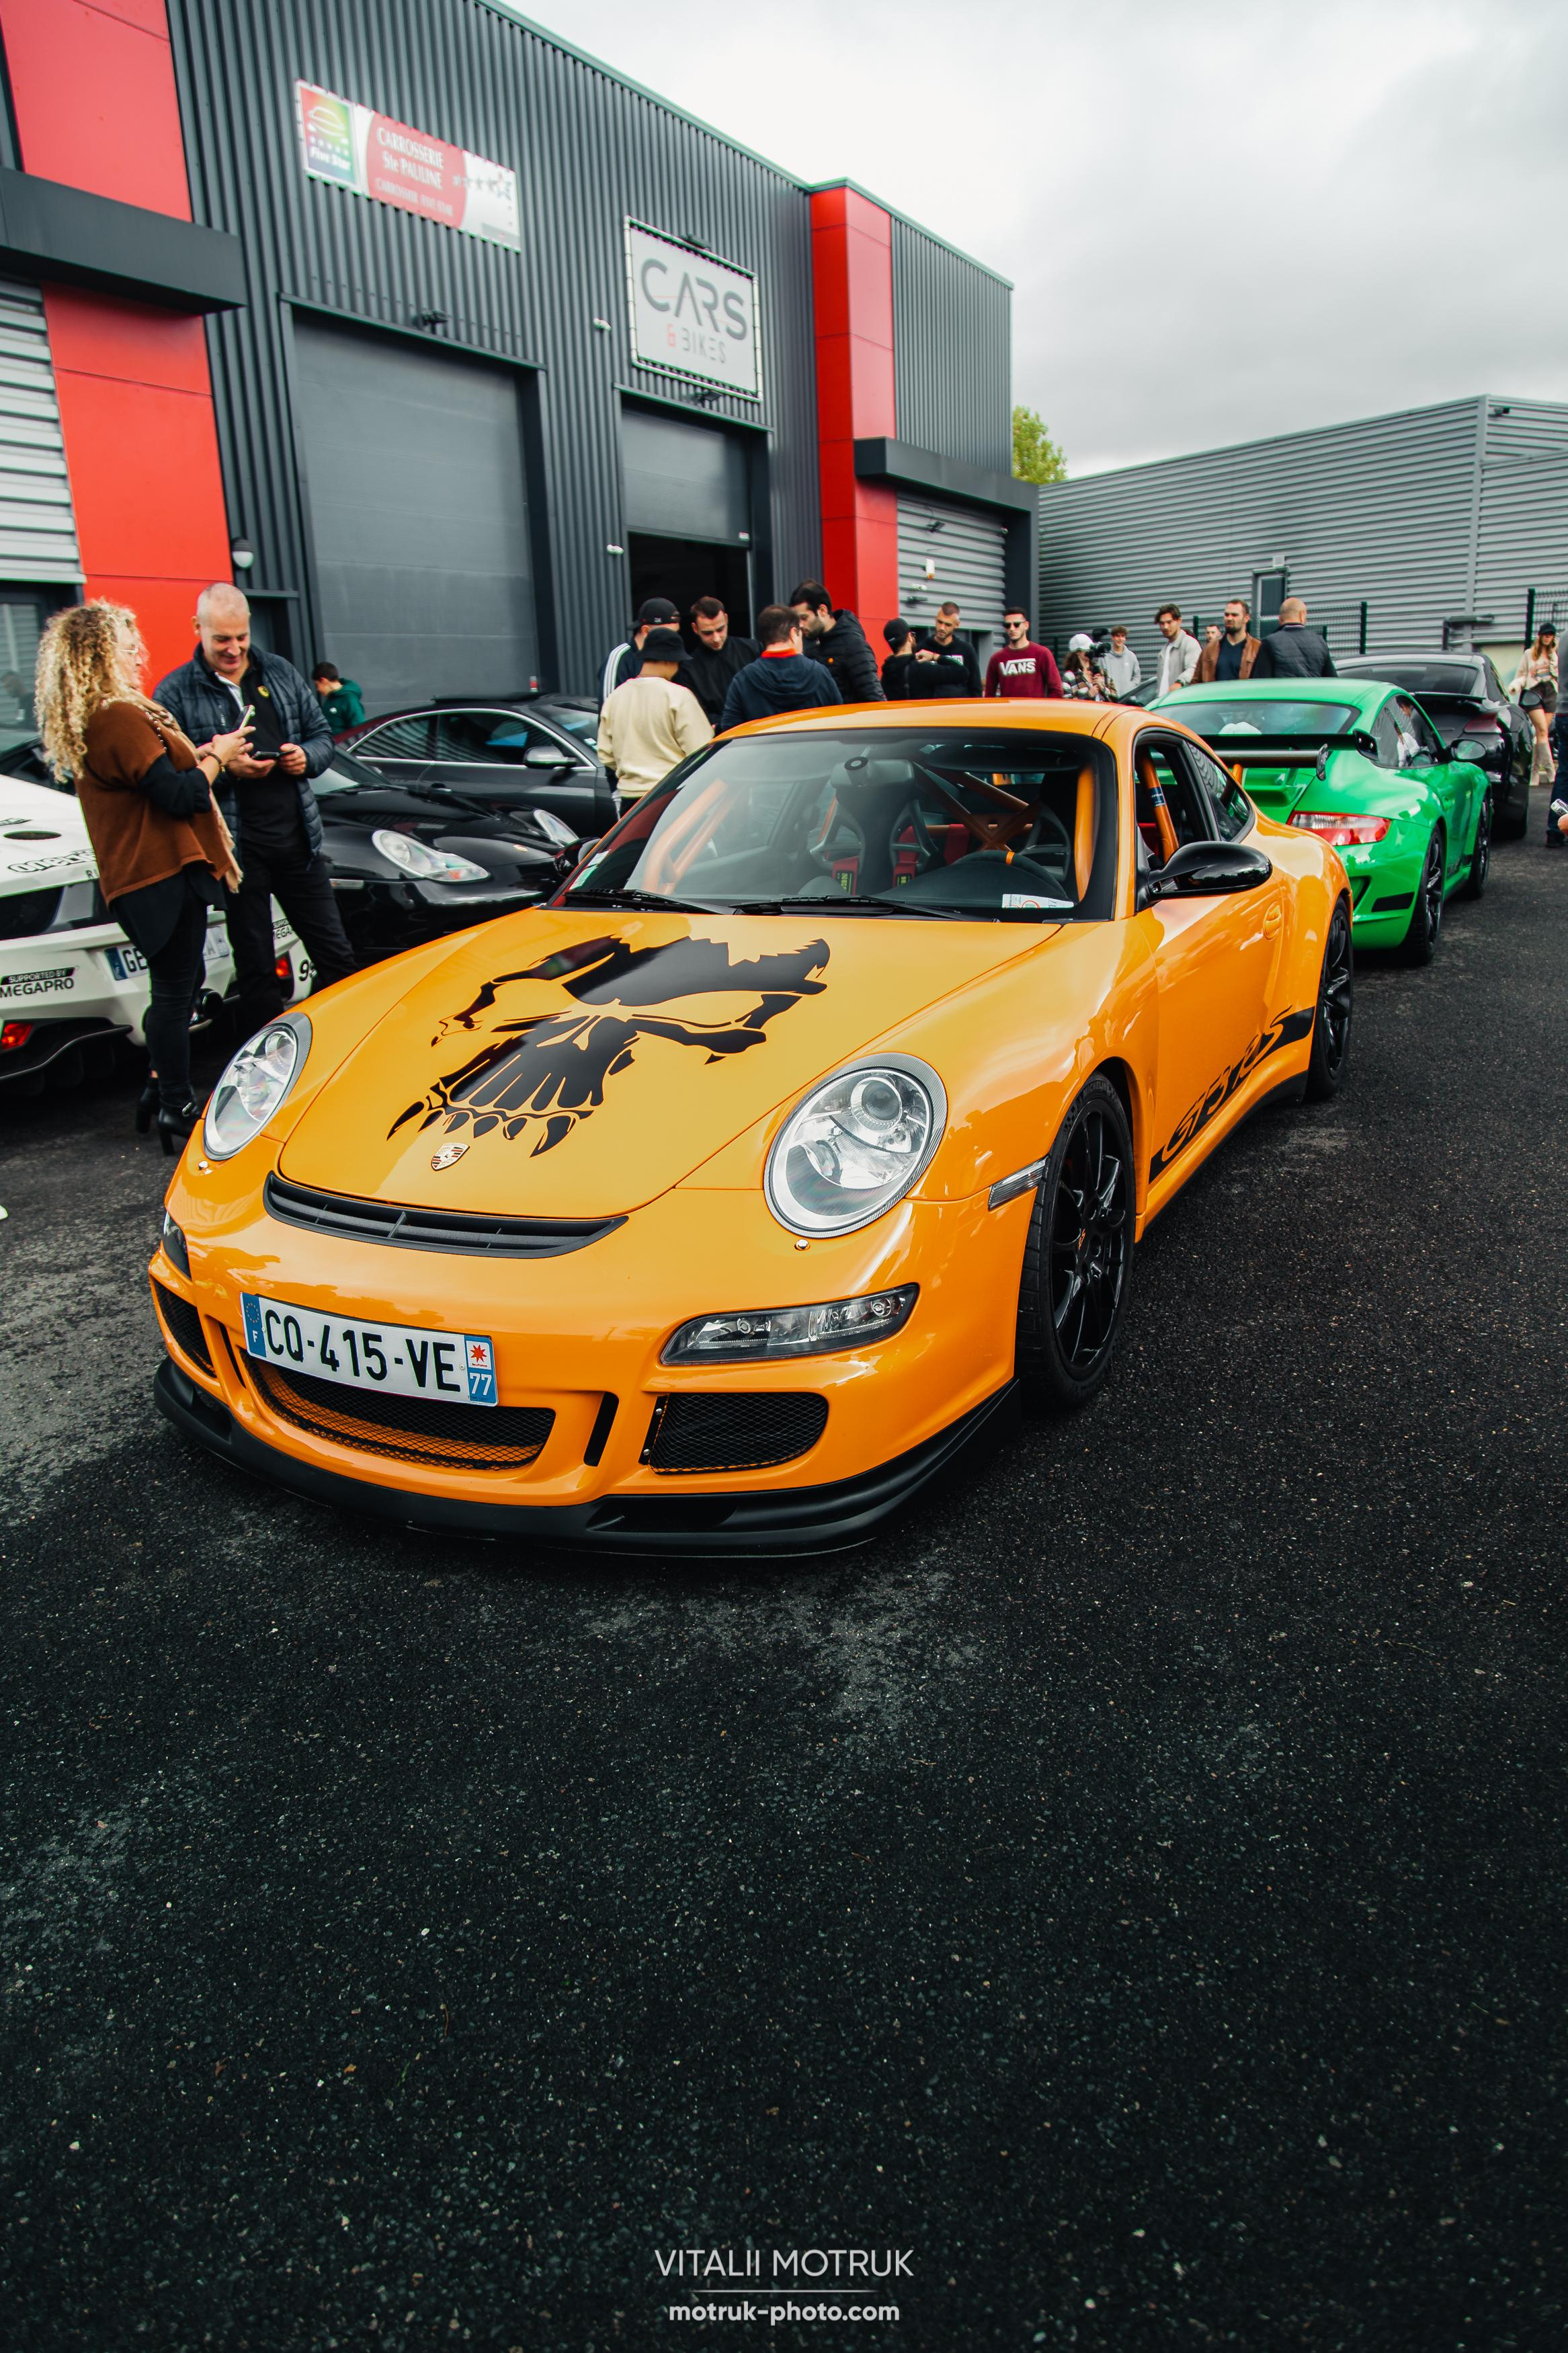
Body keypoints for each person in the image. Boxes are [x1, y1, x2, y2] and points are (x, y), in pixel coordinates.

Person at [36, 600, 249, 1148]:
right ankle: (177, 1103)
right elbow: (178, 794)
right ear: (100, 654)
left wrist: (199, 756)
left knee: (179, 988)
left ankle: (160, 1089)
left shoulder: (108, 716)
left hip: (151, 873)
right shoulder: (118, 716)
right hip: (157, 873)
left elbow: (158, 780)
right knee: (176, 994)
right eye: (128, 647)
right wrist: (219, 756)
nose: (138, 655)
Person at [155, 584, 356, 1033]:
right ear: (197, 628)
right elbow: (174, 778)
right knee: (256, 970)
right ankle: (271, 1062)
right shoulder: (175, 692)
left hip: (299, 843)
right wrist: (226, 768)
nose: (234, 649)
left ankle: (347, 1043)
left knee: (337, 955)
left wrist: (306, 757)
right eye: (221, 639)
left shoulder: (279, 671)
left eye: (241, 637)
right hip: (238, 854)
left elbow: (322, 735)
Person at [595, 626, 711, 799]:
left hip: (629, 797)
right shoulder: (678, 696)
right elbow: (701, 750)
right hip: (671, 793)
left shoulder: (616, 697)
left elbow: (606, 754)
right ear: (669, 661)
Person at [720, 606, 845, 730]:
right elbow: (840, 721)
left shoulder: (743, 680)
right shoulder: (820, 673)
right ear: (793, 633)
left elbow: (729, 731)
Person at [788, 581, 884, 703]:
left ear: (822, 611)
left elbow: (874, 699)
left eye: (804, 618)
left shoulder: (853, 645)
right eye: (798, 620)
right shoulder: (811, 645)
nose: (800, 625)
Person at [683, 596, 757, 724]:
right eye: (708, 633)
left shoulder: (753, 649)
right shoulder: (688, 668)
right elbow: (697, 714)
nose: (716, 638)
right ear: (695, 629)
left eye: (720, 629)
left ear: (726, 619)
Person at [600, 596, 689, 703]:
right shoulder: (620, 658)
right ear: (646, 631)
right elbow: (609, 707)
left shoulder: (670, 659)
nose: (674, 639)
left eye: (676, 633)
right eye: (667, 633)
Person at [1512, 622, 1559, 795]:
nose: (1548, 638)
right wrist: (1516, 686)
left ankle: (1534, 773)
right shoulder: (1529, 654)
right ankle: (1551, 772)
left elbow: (1558, 674)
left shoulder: (1554, 655)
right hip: (1534, 691)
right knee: (1543, 730)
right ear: (1540, 636)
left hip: (1550, 691)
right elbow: (1521, 674)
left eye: (1550, 635)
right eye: (1545, 635)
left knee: (1541, 734)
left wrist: (1553, 655)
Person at [984, 607, 1062, 699]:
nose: (1012, 629)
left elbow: (1056, 690)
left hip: (1035, 708)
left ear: (1026, 625)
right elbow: (989, 694)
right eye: (1008, 625)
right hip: (1009, 708)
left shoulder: (1042, 653)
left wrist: (1046, 708)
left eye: (1016, 624)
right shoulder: (997, 658)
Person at [1251, 596, 1336, 679]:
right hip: (1312, 689)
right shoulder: (1320, 642)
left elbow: (1260, 680)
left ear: (1280, 619)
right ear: (1302, 616)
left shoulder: (1269, 642)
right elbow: (1332, 680)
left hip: (1283, 689)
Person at [913, 602, 983, 698]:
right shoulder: (921, 649)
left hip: (958, 706)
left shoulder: (966, 650)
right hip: (929, 706)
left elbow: (976, 687)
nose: (942, 628)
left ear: (957, 625)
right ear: (935, 619)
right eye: (940, 622)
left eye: (948, 625)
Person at [1194, 599, 1262, 683]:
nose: (1229, 618)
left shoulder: (1257, 649)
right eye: (1227, 615)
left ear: (1246, 618)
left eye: (1234, 615)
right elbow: (1196, 681)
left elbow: (1264, 683)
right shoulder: (1210, 649)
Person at [1154, 604, 1200, 694]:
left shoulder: (1190, 643)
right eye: (1162, 623)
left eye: (1169, 622)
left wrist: (1180, 682)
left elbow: (1194, 669)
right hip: (1164, 701)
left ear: (1179, 621)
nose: (1165, 627)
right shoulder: (1163, 651)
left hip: (1180, 701)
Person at [311, 660, 365, 732]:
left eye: (317, 685)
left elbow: (360, 729)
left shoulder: (349, 699)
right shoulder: (329, 701)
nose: (318, 689)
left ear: (323, 680)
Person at [880, 618, 919, 699]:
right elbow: (948, 673)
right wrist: (935, 657)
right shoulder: (921, 668)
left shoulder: (886, 673)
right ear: (909, 637)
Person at [1100, 627, 1141, 700]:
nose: (1120, 639)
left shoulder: (1131, 656)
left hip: (1126, 699)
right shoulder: (1104, 656)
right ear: (1112, 637)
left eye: (1123, 636)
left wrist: (1130, 687)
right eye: (1118, 636)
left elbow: (1137, 677)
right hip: (1109, 698)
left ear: (1125, 638)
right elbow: (1100, 676)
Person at [1061, 634, 1105, 701]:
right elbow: (1067, 702)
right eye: (1087, 649)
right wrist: (1088, 695)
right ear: (1078, 652)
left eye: (1091, 649)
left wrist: (1103, 688)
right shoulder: (1069, 676)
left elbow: (1115, 698)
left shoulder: (1101, 672)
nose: (1090, 651)